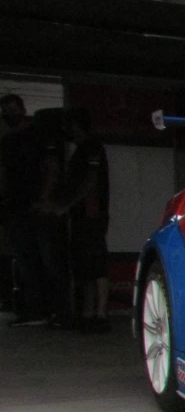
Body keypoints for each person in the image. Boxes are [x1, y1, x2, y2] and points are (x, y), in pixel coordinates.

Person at [1, 94, 56, 327]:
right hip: (15, 207)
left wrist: (44, 198)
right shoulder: (7, 141)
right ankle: (34, 310)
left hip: (35, 205)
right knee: (24, 260)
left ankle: (49, 310)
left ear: (23, 110)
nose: (9, 115)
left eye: (13, 110)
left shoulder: (37, 135)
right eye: (5, 111)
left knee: (44, 259)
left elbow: (51, 166)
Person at [57, 108, 111, 332]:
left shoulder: (92, 148)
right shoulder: (81, 150)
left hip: (91, 215)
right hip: (82, 216)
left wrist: (68, 204)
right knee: (85, 266)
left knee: (96, 265)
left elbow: (91, 182)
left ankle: (100, 313)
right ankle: (88, 313)